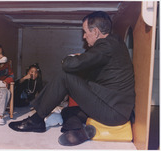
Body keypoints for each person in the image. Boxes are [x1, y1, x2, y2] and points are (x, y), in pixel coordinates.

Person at [8, 11, 135, 146]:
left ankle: (36, 121)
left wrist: (69, 59)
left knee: (65, 75)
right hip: (115, 108)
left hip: (112, 112)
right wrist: (82, 59)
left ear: (96, 32)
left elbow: (70, 65)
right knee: (68, 111)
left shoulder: (105, 46)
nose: (84, 36)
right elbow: (95, 66)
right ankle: (75, 129)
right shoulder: (114, 42)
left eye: (85, 32)